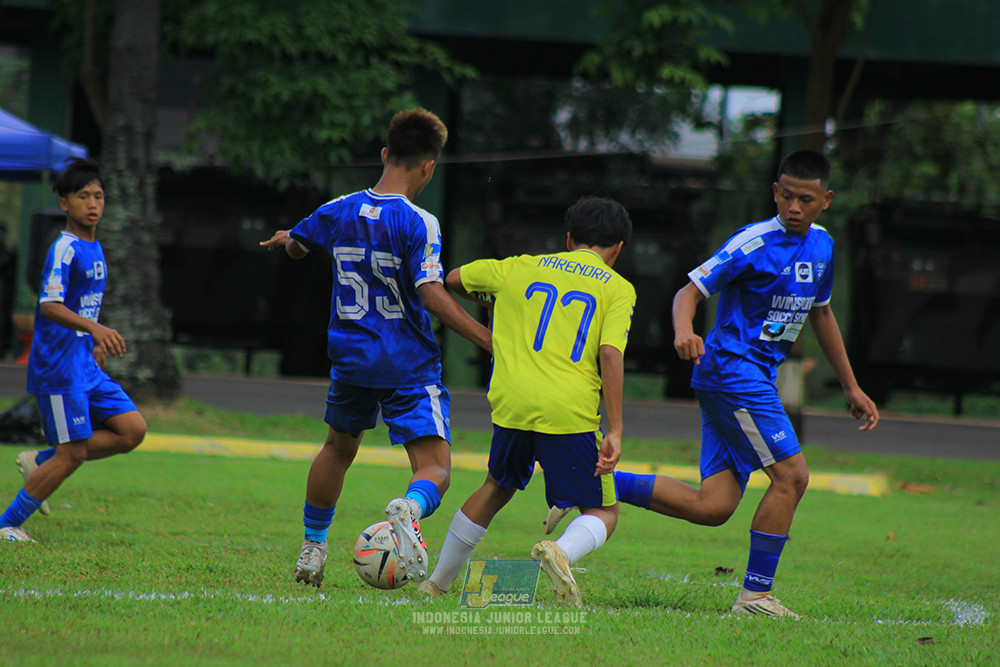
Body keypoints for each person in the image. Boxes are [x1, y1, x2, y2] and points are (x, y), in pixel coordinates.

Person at [549, 150, 879, 617]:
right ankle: (755, 596)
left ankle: (590, 484)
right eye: (786, 196)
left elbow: (820, 312)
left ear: (825, 199)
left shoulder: (823, 246)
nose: (794, 207)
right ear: (774, 193)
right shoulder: (752, 242)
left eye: (806, 199)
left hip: (750, 375)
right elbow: (689, 291)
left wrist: (849, 385)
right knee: (792, 477)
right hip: (732, 371)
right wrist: (685, 331)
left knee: (714, 506)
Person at [260, 108, 492, 588]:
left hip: (351, 358)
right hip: (407, 362)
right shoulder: (419, 222)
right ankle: (408, 509)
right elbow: (430, 292)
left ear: (385, 154)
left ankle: (312, 548)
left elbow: (300, 244)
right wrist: (487, 339)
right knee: (434, 469)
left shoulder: (338, 209)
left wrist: (290, 241)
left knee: (337, 449)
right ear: (428, 166)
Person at [417, 196, 636, 606]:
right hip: (567, 409)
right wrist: (617, 428)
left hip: (511, 403)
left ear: (569, 238)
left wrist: (506, 305)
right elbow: (610, 353)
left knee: (496, 486)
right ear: (618, 249)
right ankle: (561, 552)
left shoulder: (520, 266)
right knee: (604, 511)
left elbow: (453, 279)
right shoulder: (617, 287)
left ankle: (437, 582)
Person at [2, 158, 147, 543]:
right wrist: (95, 329)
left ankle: (39, 461)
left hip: (84, 363)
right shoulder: (64, 249)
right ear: (65, 204)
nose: (93, 203)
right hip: (59, 368)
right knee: (74, 453)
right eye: (83, 196)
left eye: (98, 195)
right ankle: (7, 523)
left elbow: (84, 305)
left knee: (132, 430)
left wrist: (93, 341)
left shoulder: (95, 247)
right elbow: (49, 305)